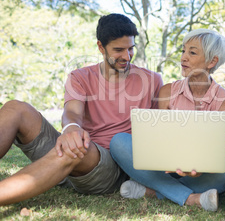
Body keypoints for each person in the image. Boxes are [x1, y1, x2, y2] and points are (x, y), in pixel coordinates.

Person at [0, 13, 163, 206]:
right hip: (71, 153)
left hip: (107, 167)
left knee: (77, 148)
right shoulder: (80, 76)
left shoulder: (152, 80)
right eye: (118, 50)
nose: (127, 56)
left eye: (131, 49)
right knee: (15, 108)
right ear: (100, 47)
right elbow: (72, 112)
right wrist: (71, 128)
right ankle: (57, 166)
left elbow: (158, 131)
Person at [110, 29, 225, 211]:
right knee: (118, 141)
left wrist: (200, 168)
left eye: (192, 52)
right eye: (183, 51)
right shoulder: (167, 91)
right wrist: (164, 158)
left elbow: (213, 149)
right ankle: (191, 198)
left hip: (197, 172)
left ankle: (154, 191)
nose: (183, 58)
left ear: (212, 61)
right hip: (162, 167)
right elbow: (156, 138)